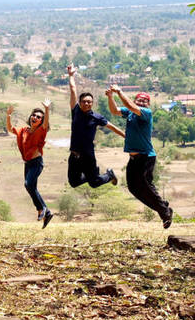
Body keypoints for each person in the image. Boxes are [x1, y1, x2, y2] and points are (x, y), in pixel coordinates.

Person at [106, 85, 173, 228]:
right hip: (134, 158)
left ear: (148, 104)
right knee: (133, 188)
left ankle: (165, 213)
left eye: (144, 101)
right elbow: (114, 110)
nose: (142, 103)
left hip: (146, 157)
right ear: (136, 101)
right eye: (139, 100)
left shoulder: (146, 113)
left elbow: (129, 104)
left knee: (146, 185)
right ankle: (163, 208)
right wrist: (110, 97)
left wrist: (119, 91)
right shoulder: (130, 113)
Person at [67, 64, 124, 189]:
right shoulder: (75, 110)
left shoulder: (97, 117)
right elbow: (72, 89)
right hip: (74, 155)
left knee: (94, 183)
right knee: (74, 182)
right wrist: (71, 75)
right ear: (80, 102)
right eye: (84, 101)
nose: (87, 103)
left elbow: (112, 127)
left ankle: (108, 175)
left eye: (89, 102)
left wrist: (126, 136)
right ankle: (93, 176)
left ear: (92, 103)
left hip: (88, 156)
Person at [6, 100, 54, 228]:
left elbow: (45, 123)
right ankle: (46, 213)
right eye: (34, 115)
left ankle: (42, 208)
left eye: (38, 117)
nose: (35, 118)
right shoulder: (24, 130)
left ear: (41, 120)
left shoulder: (41, 130)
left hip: (36, 163)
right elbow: (10, 129)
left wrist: (47, 109)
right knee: (30, 187)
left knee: (28, 184)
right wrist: (9, 116)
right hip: (27, 163)